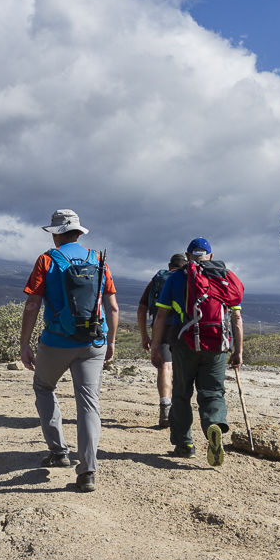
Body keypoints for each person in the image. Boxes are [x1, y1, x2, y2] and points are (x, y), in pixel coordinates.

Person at [19, 209, 118, 493]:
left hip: (56, 342)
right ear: (78, 232)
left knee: (44, 387)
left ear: (56, 234)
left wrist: (25, 344)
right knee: (88, 403)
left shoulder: (47, 260)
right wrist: (110, 342)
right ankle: (87, 471)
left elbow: (32, 305)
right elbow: (112, 307)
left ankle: (59, 452)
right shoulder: (99, 260)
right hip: (92, 343)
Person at [151, 238, 244, 466]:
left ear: (188, 255)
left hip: (185, 344)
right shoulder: (224, 276)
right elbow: (237, 317)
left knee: (181, 393)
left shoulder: (175, 278)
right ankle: (214, 425)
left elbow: (161, 315)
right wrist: (238, 350)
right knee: (212, 392)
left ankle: (185, 445)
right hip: (218, 345)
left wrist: (155, 346)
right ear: (210, 256)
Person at [138, 253, 189, 428]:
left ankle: (165, 409)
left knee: (165, 367)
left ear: (169, 265)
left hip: (161, 328)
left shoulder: (157, 280)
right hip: (184, 329)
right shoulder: (187, 279)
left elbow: (141, 309)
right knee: (184, 368)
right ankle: (181, 411)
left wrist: (145, 336)